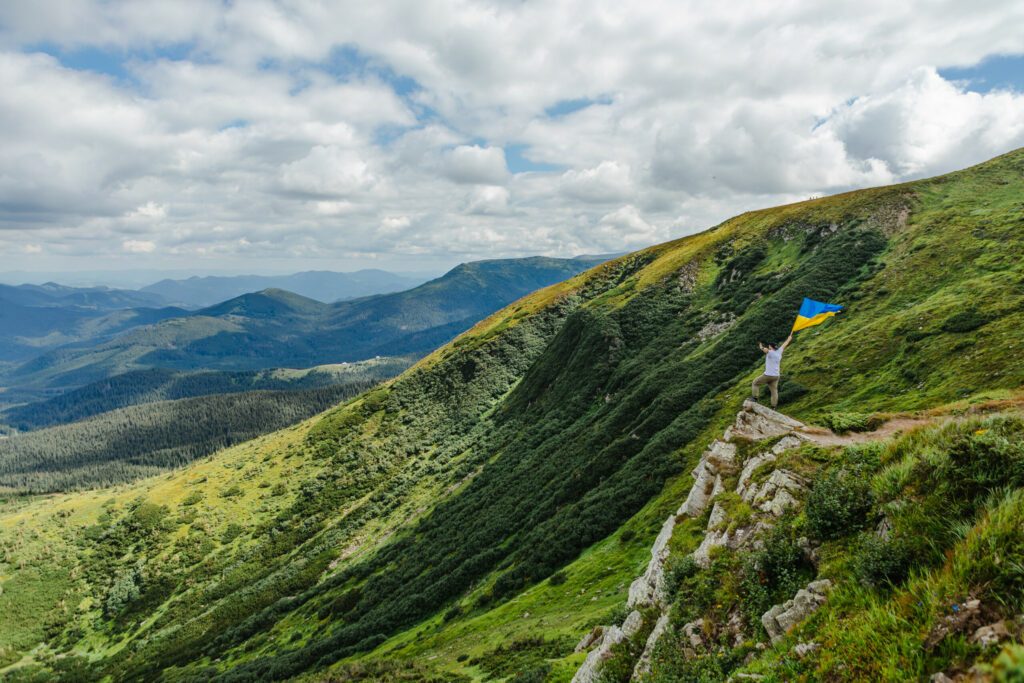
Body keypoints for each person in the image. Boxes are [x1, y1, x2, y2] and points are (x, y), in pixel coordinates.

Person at [752, 332, 793, 409]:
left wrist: (761, 346)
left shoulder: (770, 352)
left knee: (755, 383)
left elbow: (765, 350)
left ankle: (755, 398)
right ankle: (773, 407)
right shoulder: (779, 351)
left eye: (769, 346)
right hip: (776, 376)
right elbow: (786, 343)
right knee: (774, 391)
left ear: (770, 347)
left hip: (768, 375)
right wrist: (789, 337)